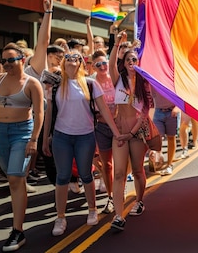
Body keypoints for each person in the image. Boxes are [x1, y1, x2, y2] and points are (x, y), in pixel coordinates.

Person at [41, 50, 123, 236]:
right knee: (62, 177)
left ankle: (92, 209)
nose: (71, 61)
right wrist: (46, 137)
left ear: (81, 63)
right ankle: (60, 217)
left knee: (86, 174)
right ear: (63, 62)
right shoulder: (54, 86)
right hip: (61, 136)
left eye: (76, 58)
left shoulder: (91, 84)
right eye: (68, 58)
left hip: (85, 136)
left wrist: (117, 133)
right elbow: (49, 113)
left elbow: (104, 110)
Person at [0, 43, 44, 252]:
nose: (6, 64)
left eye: (10, 60)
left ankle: (17, 230)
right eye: (3, 61)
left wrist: (34, 139)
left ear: (22, 60)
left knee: (14, 177)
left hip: (22, 132)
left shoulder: (32, 84)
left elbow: (39, 113)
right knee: (13, 178)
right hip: (1, 133)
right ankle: (18, 226)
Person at [108, 31, 152, 231]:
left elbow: (144, 112)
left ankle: (139, 200)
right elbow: (110, 65)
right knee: (118, 173)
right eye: (128, 59)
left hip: (137, 133)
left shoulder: (144, 83)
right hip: (119, 132)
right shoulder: (119, 80)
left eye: (135, 59)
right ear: (124, 63)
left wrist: (131, 133)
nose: (131, 61)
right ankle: (118, 216)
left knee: (137, 170)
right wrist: (117, 44)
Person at [91, 49, 116, 213]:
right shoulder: (91, 83)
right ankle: (111, 196)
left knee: (121, 162)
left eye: (104, 63)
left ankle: (119, 188)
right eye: (98, 64)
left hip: (119, 126)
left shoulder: (116, 79)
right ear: (93, 67)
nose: (102, 67)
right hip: (101, 127)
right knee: (107, 165)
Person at [152, 87, 179, 176]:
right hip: (158, 111)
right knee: (157, 137)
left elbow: (180, 95)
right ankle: (159, 155)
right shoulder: (152, 80)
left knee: (171, 137)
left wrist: (176, 107)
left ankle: (169, 164)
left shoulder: (170, 78)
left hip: (171, 112)